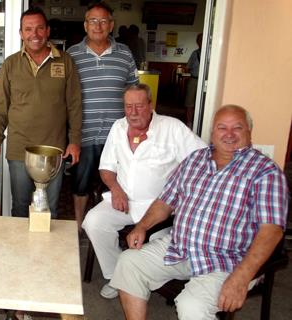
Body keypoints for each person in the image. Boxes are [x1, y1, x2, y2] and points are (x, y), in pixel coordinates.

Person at [111, 105, 288, 320]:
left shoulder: (265, 171)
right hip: (179, 247)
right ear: (212, 133)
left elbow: (272, 231)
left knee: (191, 305)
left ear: (249, 132)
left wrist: (242, 277)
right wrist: (142, 226)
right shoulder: (195, 160)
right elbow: (165, 201)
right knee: (128, 262)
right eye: (222, 128)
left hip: (228, 260)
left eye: (237, 128)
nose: (229, 134)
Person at [82, 84, 206, 299]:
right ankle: (116, 277)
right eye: (128, 106)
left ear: (150, 105)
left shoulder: (172, 128)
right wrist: (116, 188)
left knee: (155, 254)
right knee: (93, 221)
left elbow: (202, 159)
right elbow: (106, 167)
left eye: (139, 106)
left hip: (159, 208)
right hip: (122, 200)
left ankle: (136, 278)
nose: (133, 112)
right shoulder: (118, 128)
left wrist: (182, 190)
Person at [0, 7, 82, 219]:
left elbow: (74, 105)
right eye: (28, 29)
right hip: (19, 149)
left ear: (48, 31)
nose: (35, 34)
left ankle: (46, 252)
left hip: (53, 149)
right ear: (21, 34)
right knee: (20, 206)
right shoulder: (11, 64)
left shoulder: (65, 62)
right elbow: (0, 105)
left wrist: (74, 140)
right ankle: (20, 252)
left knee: (50, 208)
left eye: (40, 28)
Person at [67, 1, 138, 233]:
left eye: (103, 21)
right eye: (93, 21)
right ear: (85, 25)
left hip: (117, 134)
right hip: (84, 133)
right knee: (81, 183)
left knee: (118, 182)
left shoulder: (125, 54)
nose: (98, 26)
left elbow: (134, 91)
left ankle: (112, 226)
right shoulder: (72, 55)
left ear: (111, 25)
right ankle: (79, 226)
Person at [184, 32, 203, 128]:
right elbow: (187, 67)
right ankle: (189, 123)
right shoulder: (194, 54)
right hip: (194, 80)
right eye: (199, 40)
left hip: (205, 82)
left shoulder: (211, 54)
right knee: (189, 102)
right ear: (197, 42)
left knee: (203, 103)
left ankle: (201, 123)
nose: (201, 41)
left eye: (202, 39)